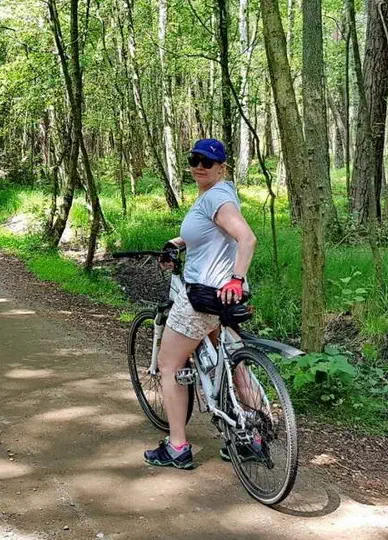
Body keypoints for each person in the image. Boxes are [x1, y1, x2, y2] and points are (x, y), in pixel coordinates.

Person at [142, 138, 259, 469]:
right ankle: (251, 437)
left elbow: (247, 238)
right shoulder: (220, 193)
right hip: (225, 298)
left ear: (221, 167)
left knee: (169, 365)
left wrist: (235, 277)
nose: (199, 166)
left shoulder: (217, 198)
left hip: (205, 296)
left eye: (207, 162)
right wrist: (176, 243)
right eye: (194, 159)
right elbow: (211, 232)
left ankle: (177, 447)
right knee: (234, 363)